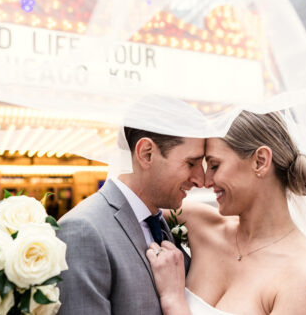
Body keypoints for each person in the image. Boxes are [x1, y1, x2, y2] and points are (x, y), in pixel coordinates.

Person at [147, 111, 306, 315]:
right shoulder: (195, 223)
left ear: (260, 161)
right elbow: (124, 201)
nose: (205, 181)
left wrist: (174, 300)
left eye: (214, 165)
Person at [56, 127, 205, 314]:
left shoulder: (162, 223)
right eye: (191, 163)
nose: (201, 180)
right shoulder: (82, 230)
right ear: (146, 154)